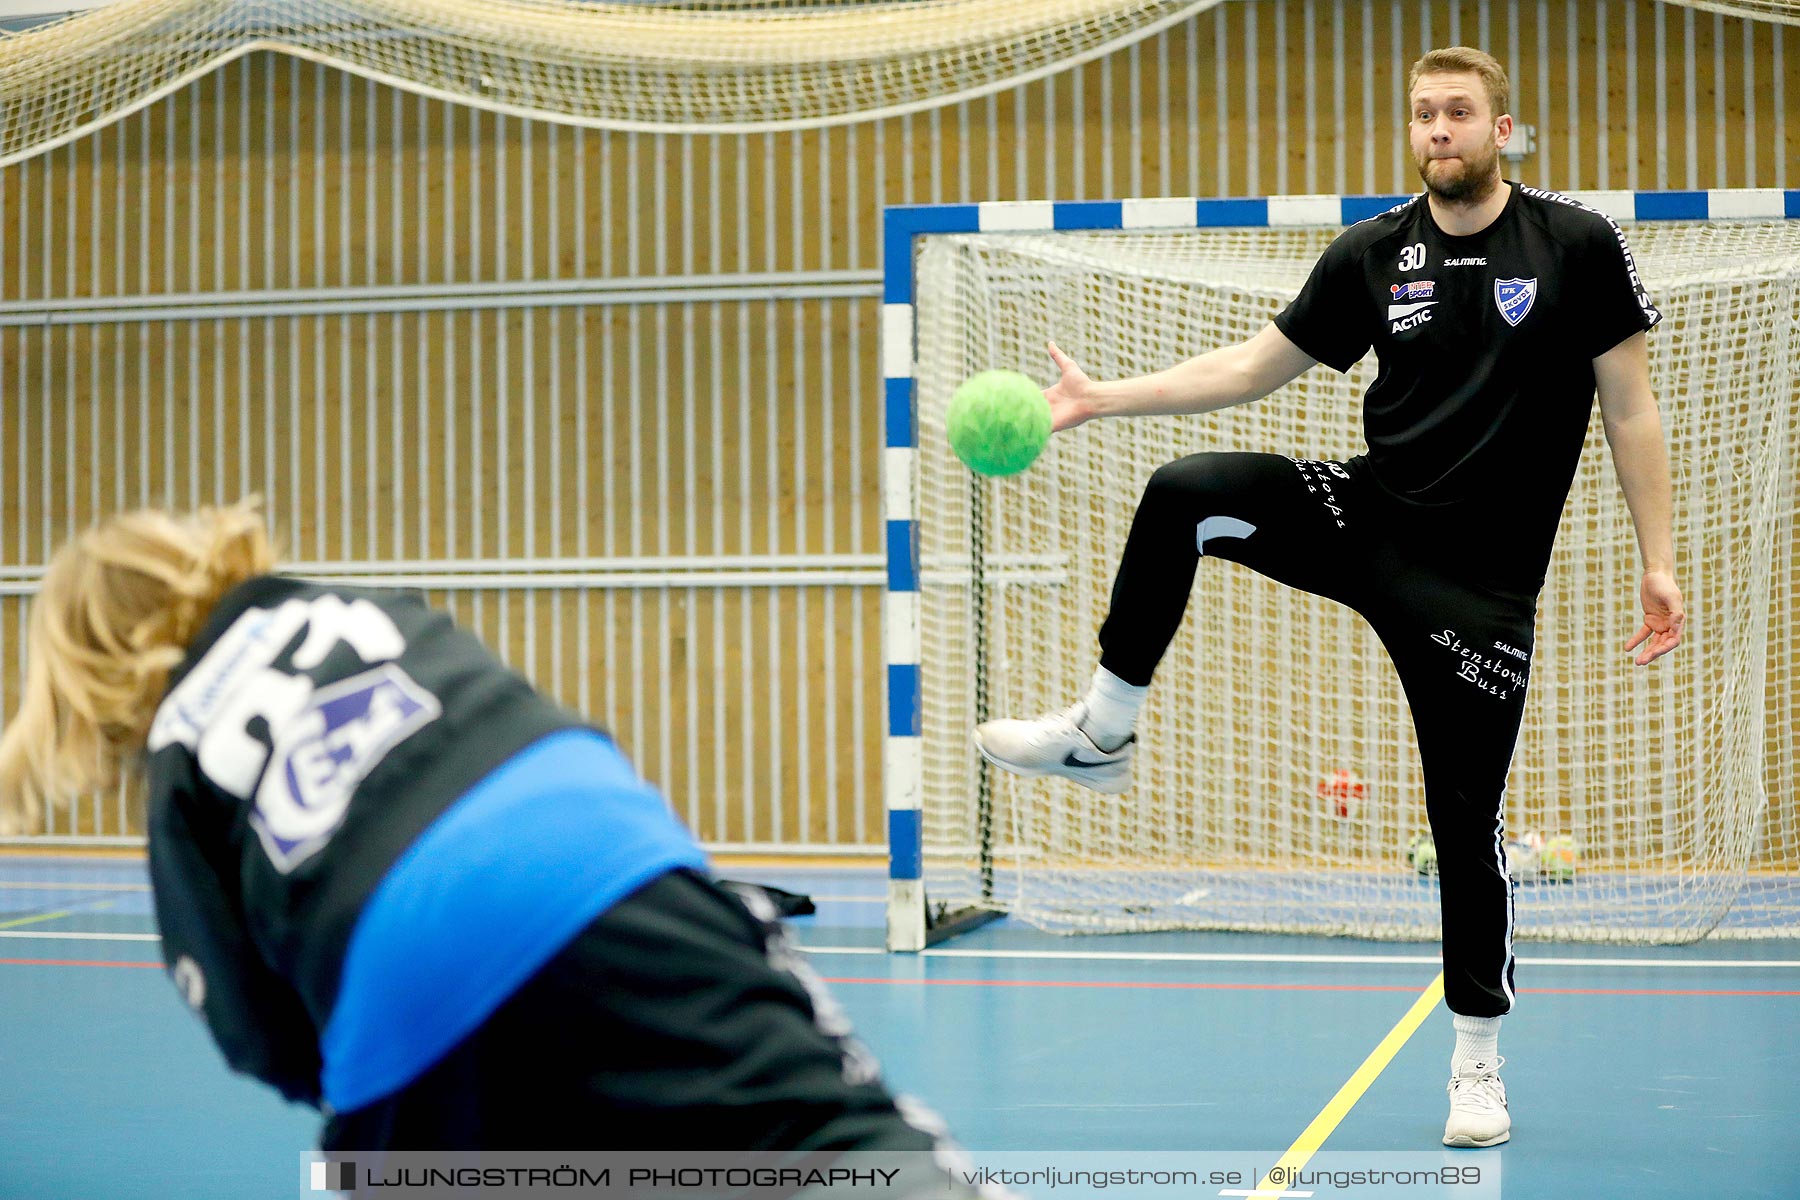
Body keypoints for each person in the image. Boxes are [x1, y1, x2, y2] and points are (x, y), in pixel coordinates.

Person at [973, 46, 1683, 1149]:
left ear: (1504, 126)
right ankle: (1102, 731)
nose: (1438, 130)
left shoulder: (1575, 244)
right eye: (1422, 115)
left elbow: (1630, 407)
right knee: (1187, 494)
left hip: (1480, 588)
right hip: (1369, 517)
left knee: (1465, 823)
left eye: (1459, 112)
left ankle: (1478, 1064)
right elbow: (1257, 366)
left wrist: (1661, 558)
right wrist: (1103, 396)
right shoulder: (1372, 254)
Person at [0, 499, 1001, 1191]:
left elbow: (253, 1032)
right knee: (823, 1142)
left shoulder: (178, 753)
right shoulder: (347, 605)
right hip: (591, 847)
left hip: (399, 966)